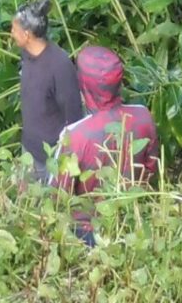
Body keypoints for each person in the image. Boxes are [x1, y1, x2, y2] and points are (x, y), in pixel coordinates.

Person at [54, 45, 158, 244]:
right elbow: (152, 172)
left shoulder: (73, 136)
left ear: (83, 85)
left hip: (88, 233)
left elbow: (59, 197)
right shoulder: (143, 116)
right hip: (131, 222)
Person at [10, 0, 81, 184]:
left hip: (51, 156)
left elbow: (73, 115)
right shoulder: (26, 55)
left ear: (27, 34)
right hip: (29, 148)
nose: (11, 33)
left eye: (14, 29)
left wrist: (68, 156)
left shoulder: (60, 65)